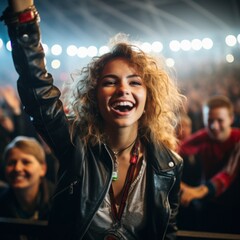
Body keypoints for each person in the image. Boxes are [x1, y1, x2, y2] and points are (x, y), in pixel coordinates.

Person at [1, 1, 184, 239]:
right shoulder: (75, 145)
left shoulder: (168, 165)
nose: (123, 89)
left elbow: (166, 233)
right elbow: (37, 91)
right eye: (110, 82)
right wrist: (23, 16)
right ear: (93, 95)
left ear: (149, 96)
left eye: (135, 82)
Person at [179, 95, 240, 233]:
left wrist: (198, 191)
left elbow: (228, 174)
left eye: (220, 120)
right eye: (210, 121)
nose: (214, 126)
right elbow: (177, 150)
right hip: (210, 205)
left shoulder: (238, 139)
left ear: (231, 119)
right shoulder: (205, 136)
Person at [0, 136, 55, 240]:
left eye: (26, 162)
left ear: (43, 168)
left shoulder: (60, 202)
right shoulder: (1, 202)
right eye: (11, 163)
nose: (17, 168)